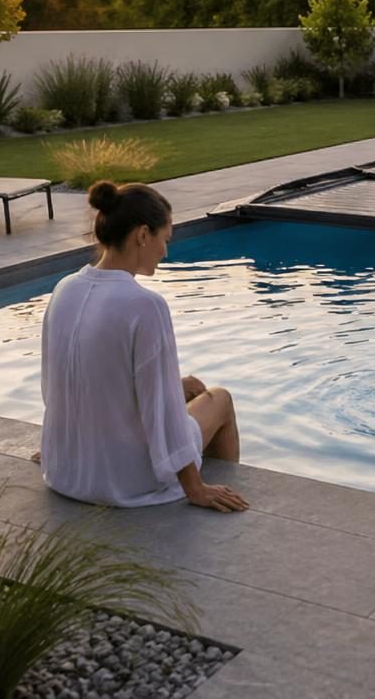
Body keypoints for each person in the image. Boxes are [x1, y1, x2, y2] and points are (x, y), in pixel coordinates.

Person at [39, 180, 247, 513]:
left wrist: (61, 448)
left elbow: (57, 385)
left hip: (65, 471)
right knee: (219, 399)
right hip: (121, 482)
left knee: (185, 389)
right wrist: (194, 488)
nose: (165, 251)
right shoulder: (145, 305)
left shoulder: (64, 289)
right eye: (165, 239)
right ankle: (217, 510)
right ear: (142, 235)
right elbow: (161, 411)